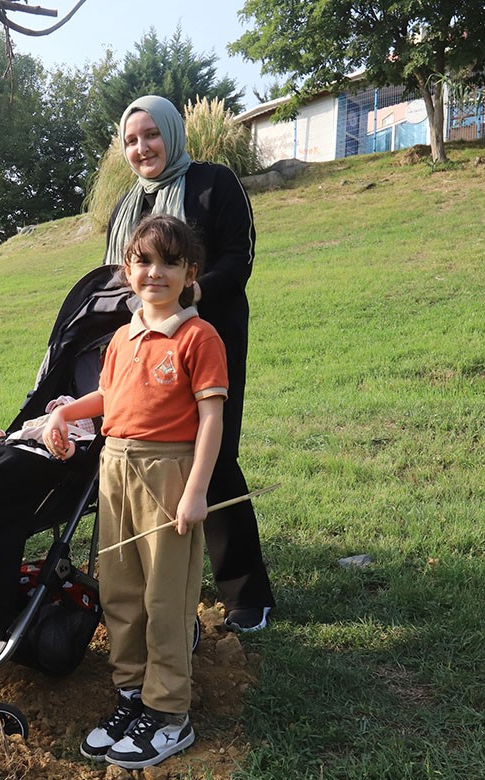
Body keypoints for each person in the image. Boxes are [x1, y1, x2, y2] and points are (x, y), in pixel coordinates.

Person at [44, 213, 226, 769]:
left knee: (164, 596)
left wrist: (195, 491)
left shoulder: (199, 337)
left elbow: (213, 419)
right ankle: (131, 693)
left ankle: (170, 711)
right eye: (144, 261)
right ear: (128, 269)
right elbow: (110, 397)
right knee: (119, 591)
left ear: (189, 272)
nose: (155, 273)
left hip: (167, 474)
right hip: (115, 466)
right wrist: (67, 412)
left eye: (170, 262)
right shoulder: (121, 338)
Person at [105, 94, 275, 633]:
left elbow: (238, 259)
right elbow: (115, 278)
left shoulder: (213, 183)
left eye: (151, 134)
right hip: (142, 350)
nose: (142, 148)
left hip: (207, 338)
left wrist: (188, 295)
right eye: (131, 140)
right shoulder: (125, 206)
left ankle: (247, 594)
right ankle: (167, 580)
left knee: (216, 457)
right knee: (156, 459)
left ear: (173, 134)